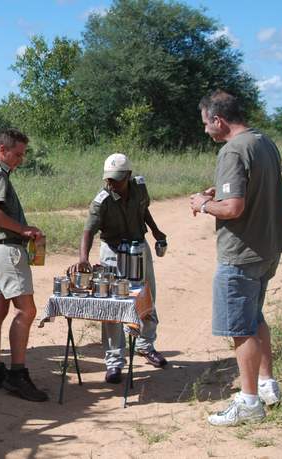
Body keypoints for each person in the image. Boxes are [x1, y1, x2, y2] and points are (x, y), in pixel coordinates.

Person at [190, 90, 282, 426]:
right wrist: (215, 189)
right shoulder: (263, 141)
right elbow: (248, 184)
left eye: (206, 124)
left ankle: (249, 402)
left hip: (241, 253)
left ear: (218, 120)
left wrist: (202, 204)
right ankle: (267, 385)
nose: (206, 130)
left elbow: (233, 208)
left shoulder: (231, 149)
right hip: (267, 248)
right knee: (255, 316)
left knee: (240, 327)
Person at [71, 153, 168, 384]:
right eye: (108, 179)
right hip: (112, 252)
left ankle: (146, 345)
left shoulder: (139, 188)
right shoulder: (101, 200)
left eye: (116, 179)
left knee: (146, 297)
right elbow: (88, 231)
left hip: (138, 248)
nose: (111, 183)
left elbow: (143, 210)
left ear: (128, 176)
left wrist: (155, 231)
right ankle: (114, 361)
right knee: (113, 307)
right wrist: (83, 258)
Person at [0, 128, 48, 402]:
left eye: (23, 154)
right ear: (2, 150)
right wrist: (23, 229)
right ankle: (18, 375)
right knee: (26, 311)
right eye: (17, 154)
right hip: (6, 251)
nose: (20, 159)